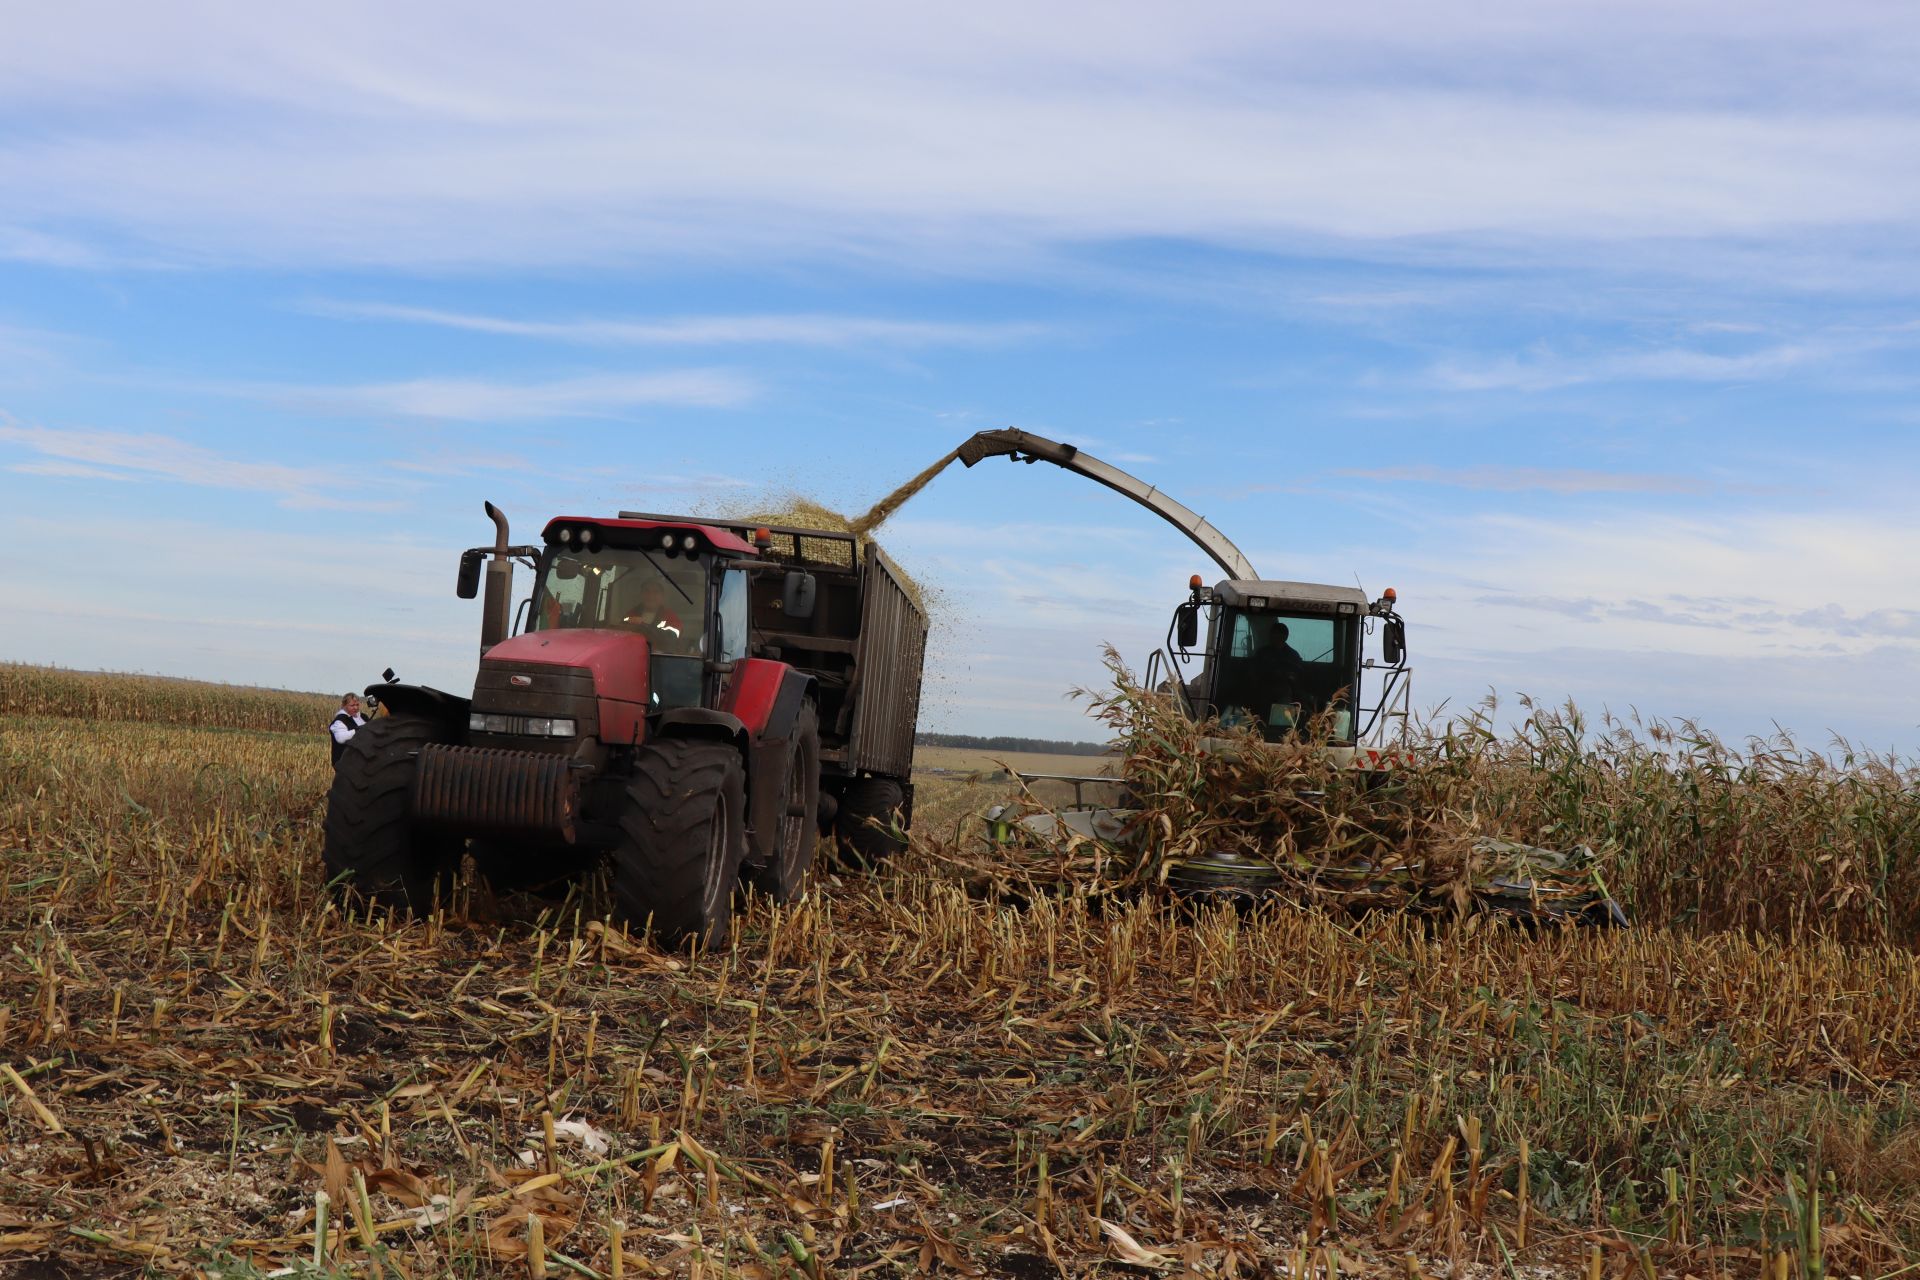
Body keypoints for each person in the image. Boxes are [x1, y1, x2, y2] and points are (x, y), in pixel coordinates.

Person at [621, 578, 688, 650]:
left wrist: (642, 626)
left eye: (656, 592)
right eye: (646, 591)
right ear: (641, 594)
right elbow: (620, 635)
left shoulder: (670, 617)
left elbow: (671, 640)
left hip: (660, 658)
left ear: (662, 596)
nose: (650, 596)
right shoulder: (631, 614)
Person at [328, 693, 367, 767]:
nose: (355, 708)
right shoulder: (340, 720)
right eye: (352, 705)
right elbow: (341, 738)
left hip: (363, 761)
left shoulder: (364, 717)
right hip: (344, 763)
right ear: (344, 705)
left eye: (357, 705)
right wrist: (359, 730)